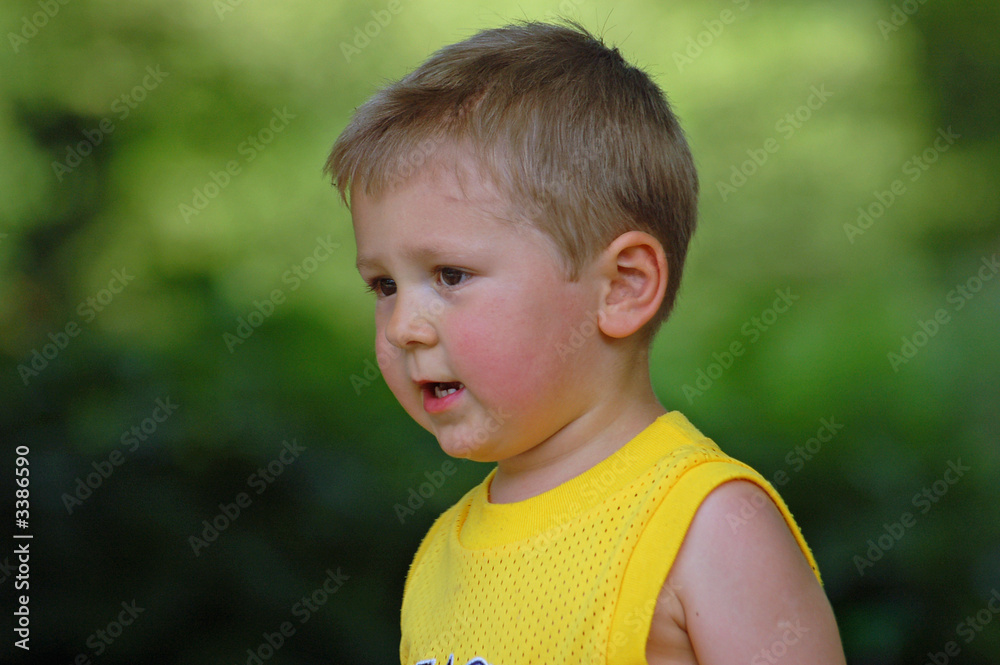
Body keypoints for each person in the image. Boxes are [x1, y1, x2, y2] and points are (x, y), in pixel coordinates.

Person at [326, 18, 847, 665]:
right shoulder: (441, 553)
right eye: (383, 286)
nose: (404, 324)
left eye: (449, 275)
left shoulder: (705, 526)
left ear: (623, 287)